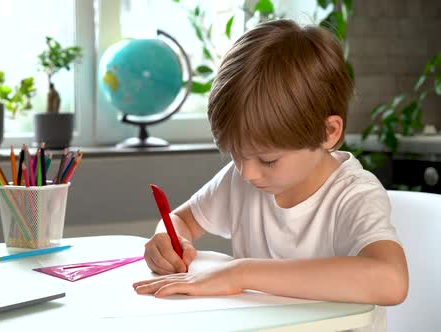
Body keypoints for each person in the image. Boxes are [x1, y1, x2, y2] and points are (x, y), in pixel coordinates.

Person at [132, 19, 408, 331]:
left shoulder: (354, 195)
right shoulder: (241, 180)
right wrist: (167, 239)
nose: (247, 172)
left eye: (268, 159)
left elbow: (391, 281)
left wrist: (240, 273)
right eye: (237, 154)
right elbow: (182, 220)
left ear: (327, 132)